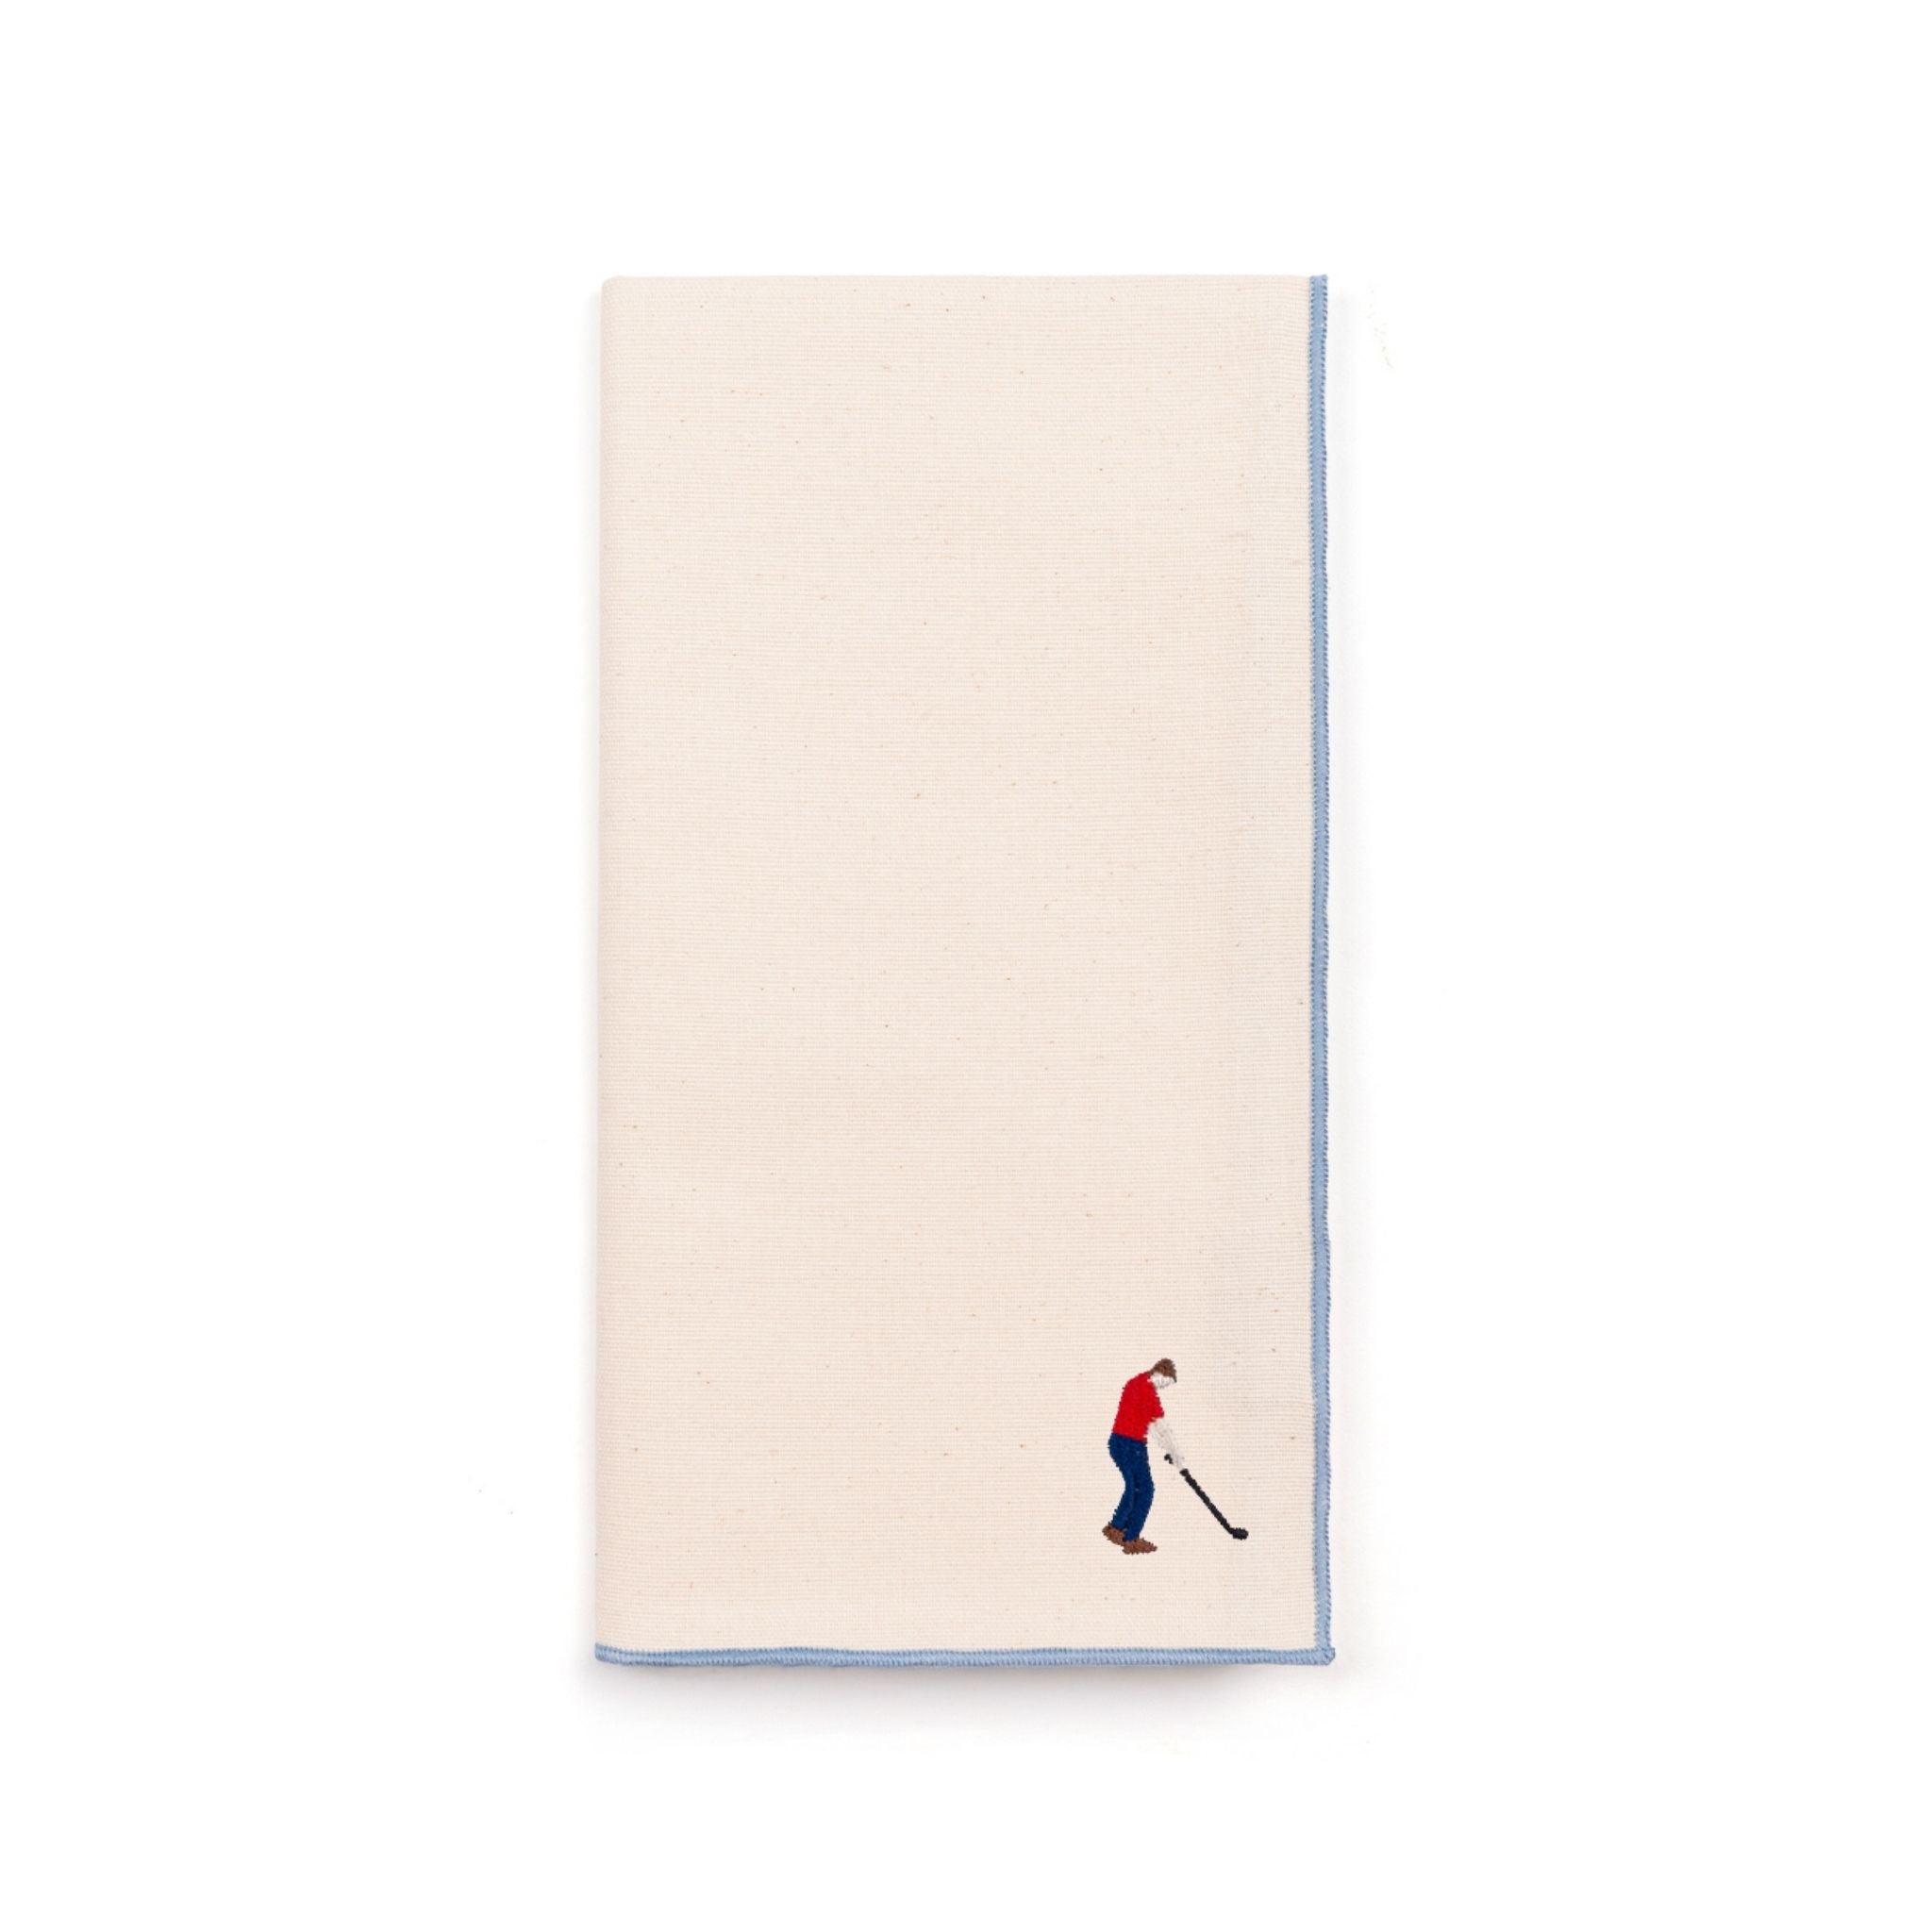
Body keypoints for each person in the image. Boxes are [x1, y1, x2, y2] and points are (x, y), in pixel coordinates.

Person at [1104, 1358, 1186, 1554]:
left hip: (1118, 1442)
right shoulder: (1147, 1391)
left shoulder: (1135, 1383)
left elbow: (1149, 1424)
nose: (1162, 1388)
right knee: (1145, 1490)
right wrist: (1177, 1456)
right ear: (1160, 1374)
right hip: (1131, 1445)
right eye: (1165, 1383)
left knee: (1133, 1487)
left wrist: (1169, 1450)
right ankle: (1131, 1539)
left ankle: (1116, 1528)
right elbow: (1161, 1427)